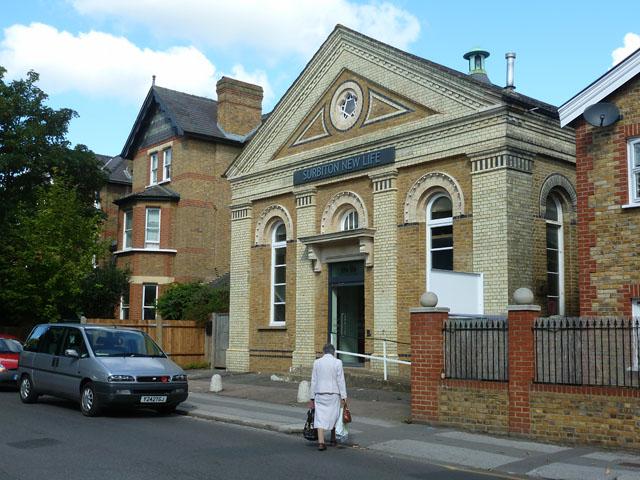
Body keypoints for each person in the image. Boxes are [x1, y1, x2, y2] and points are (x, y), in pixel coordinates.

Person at [308, 343, 347, 451]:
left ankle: (321, 442)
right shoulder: (338, 362)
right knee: (333, 415)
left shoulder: (317, 362)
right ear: (333, 352)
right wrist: (344, 396)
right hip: (333, 393)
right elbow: (341, 380)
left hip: (319, 393)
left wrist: (312, 397)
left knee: (320, 417)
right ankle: (333, 439)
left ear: (323, 351)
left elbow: (314, 380)